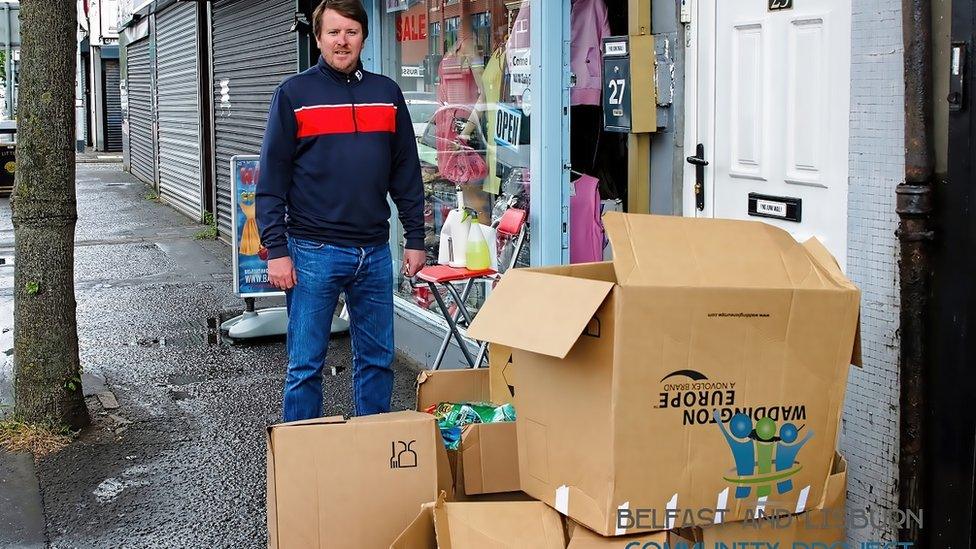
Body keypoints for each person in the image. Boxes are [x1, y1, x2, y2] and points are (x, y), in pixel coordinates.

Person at [256, 0, 425, 422]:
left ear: (364, 36)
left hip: (373, 251)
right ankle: (305, 463)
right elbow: (271, 178)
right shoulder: (294, 94)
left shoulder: (386, 94)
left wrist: (416, 237)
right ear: (317, 39)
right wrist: (276, 249)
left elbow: (405, 170)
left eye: (350, 31)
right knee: (305, 365)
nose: (342, 41)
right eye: (333, 32)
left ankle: (368, 454)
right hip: (313, 251)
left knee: (377, 361)